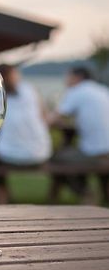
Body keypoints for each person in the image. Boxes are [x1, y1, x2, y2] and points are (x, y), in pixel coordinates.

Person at [0, 64, 52, 203]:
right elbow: (44, 117)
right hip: (41, 153)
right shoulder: (30, 90)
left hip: (9, 156)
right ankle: (52, 197)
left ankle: (2, 198)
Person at [50, 67, 109, 201]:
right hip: (106, 150)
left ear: (77, 77)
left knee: (56, 159)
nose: (66, 81)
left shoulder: (77, 91)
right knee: (74, 153)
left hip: (94, 153)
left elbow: (53, 119)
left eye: (68, 77)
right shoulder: (103, 90)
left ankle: (84, 192)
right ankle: (102, 193)